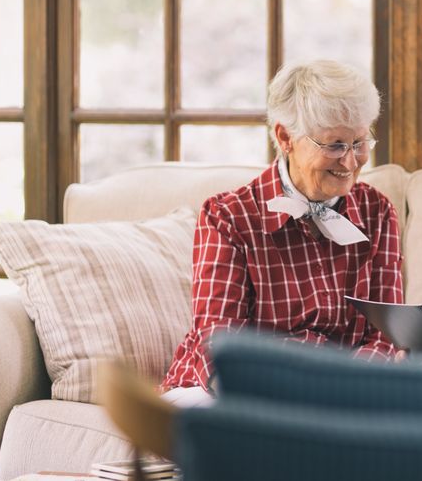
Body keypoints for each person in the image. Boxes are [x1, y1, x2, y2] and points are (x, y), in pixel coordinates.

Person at [162, 60, 403, 405]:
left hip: (344, 392)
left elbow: (386, 336)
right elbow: (219, 344)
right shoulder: (228, 217)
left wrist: (345, 390)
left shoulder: (377, 212)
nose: (351, 163)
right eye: (335, 145)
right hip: (243, 390)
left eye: (360, 142)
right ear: (285, 137)